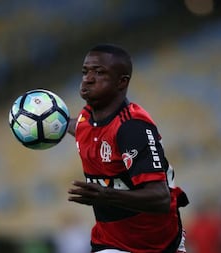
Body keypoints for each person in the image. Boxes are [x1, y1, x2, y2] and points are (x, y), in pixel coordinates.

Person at [67, 44, 189, 253]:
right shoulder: (86, 118)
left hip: (158, 245)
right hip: (111, 242)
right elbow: (76, 127)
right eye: (85, 71)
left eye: (99, 72)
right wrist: (50, 122)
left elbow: (160, 198)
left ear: (121, 82)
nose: (88, 78)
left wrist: (106, 195)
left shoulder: (132, 127)